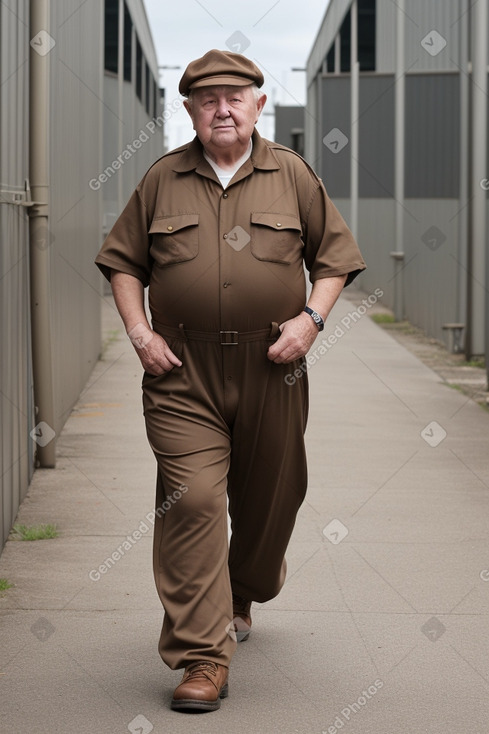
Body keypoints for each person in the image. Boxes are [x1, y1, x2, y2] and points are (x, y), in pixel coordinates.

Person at [95, 49, 366, 713]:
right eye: (206, 97)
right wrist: (139, 333)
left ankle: (245, 582)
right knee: (191, 502)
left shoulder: (293, 176)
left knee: (273, 500)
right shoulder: (162, 180)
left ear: (258, 103)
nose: (221, 106)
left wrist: (310, 320)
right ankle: (201, 657)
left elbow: (334, 260)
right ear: (187, 108)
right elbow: (123, 264)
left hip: (272, 365)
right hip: (181, 373)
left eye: (234, 95)